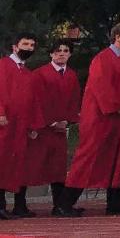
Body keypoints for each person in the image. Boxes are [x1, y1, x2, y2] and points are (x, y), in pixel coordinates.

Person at [57, 22, 120, 217]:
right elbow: (101, 87)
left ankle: (115, 202)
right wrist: (118, 107)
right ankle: (65, 202)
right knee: (88, 158)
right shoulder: (102, 59)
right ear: (118, 36)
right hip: (101, 118)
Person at [21, 40, 81, 217]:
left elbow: (74, 100)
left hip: (60, 130)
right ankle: (20, 204)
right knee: (31, 166)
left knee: (58, 169)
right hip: (41, 128)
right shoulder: (40, 74)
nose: (62, 53)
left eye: (65, 50)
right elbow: (36, 100)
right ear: (51, 54)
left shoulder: (71, 75)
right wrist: (49, 121)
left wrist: (68, 120)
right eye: (58, 51)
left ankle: (60, 205)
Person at [0, 33, 42, 220]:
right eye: (25, 44)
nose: (28, 48)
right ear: (14, 47)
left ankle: (18, 205)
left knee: (17, 164)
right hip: (5, 124)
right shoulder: (3, 66)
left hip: (20, 126)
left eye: (32, 45)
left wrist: (33, 124)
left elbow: (32, 101)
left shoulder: (27, 73)